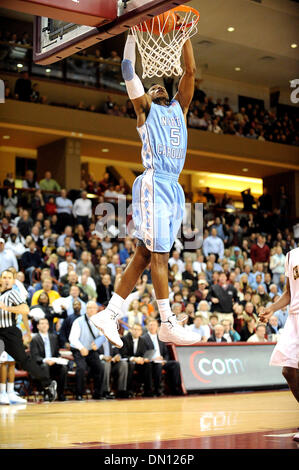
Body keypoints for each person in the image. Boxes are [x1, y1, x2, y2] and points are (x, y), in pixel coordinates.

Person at [90, 34, 200, 348]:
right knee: (158, 257)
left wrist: (185, 35)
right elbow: (127, 67)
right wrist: (132, 34)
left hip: (175, 187)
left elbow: (189, 72)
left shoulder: (180, 109)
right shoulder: (146, 111)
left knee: (144, 254)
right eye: (151, 87)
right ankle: (167, 323)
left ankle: (109, 313)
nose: (156, 87)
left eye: (160, 85)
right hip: (154, 183)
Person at [260, 247, 299, 442]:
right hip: (294, 318)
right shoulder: (292, 255)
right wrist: (271, 309)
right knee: (288, 371)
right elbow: (289, 292)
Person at [0, 270, 57, 401]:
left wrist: (7, 308)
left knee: (24, 362)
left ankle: (48, 383)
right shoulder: (1, 294)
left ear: (14, 281)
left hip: (9, 333)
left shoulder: (12, 293)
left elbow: (25, 309)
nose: (7, 280)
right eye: (4, 277)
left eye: (9, 278)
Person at [69, 301, 106, 400]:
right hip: (79, 350)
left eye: (93, 308)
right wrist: (81, 348)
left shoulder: (99, 322)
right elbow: (72, 338)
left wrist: (97, 343)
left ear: (97, 310)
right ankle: (79, 394)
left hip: (91, 350)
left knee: (100, 368)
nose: (91, 310)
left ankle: (98, 394)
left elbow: (104, 336)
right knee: (81, 368)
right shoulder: (78, 321)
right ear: (86, 309)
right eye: (89, 308)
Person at [30, 318, 68, 401]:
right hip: (41, 364)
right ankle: (47, 393)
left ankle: (61, 394)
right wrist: (45, 360)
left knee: (63, 368)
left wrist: (58, 359)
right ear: (38, 326)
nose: (44, 325)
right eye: (42, 323)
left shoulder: (53, 337)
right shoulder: (35, 339)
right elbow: (35, 356)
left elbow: (57, 353)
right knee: (45, 366)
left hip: (53, 363)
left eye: (46, 323)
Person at [143, 319, 182, 396]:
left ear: (157, 327)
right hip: (151, 362)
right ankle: (158, 390)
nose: (152, 327)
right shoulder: (143, 338)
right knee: (158, 366)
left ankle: (176, 389)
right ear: (147, 326)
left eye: (154, 325)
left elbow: (166, 353)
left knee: (175, 364)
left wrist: (164, 360)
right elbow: (144, 354)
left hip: (162, 361)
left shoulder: (161, 338)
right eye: (150, 325)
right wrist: (153, 359)